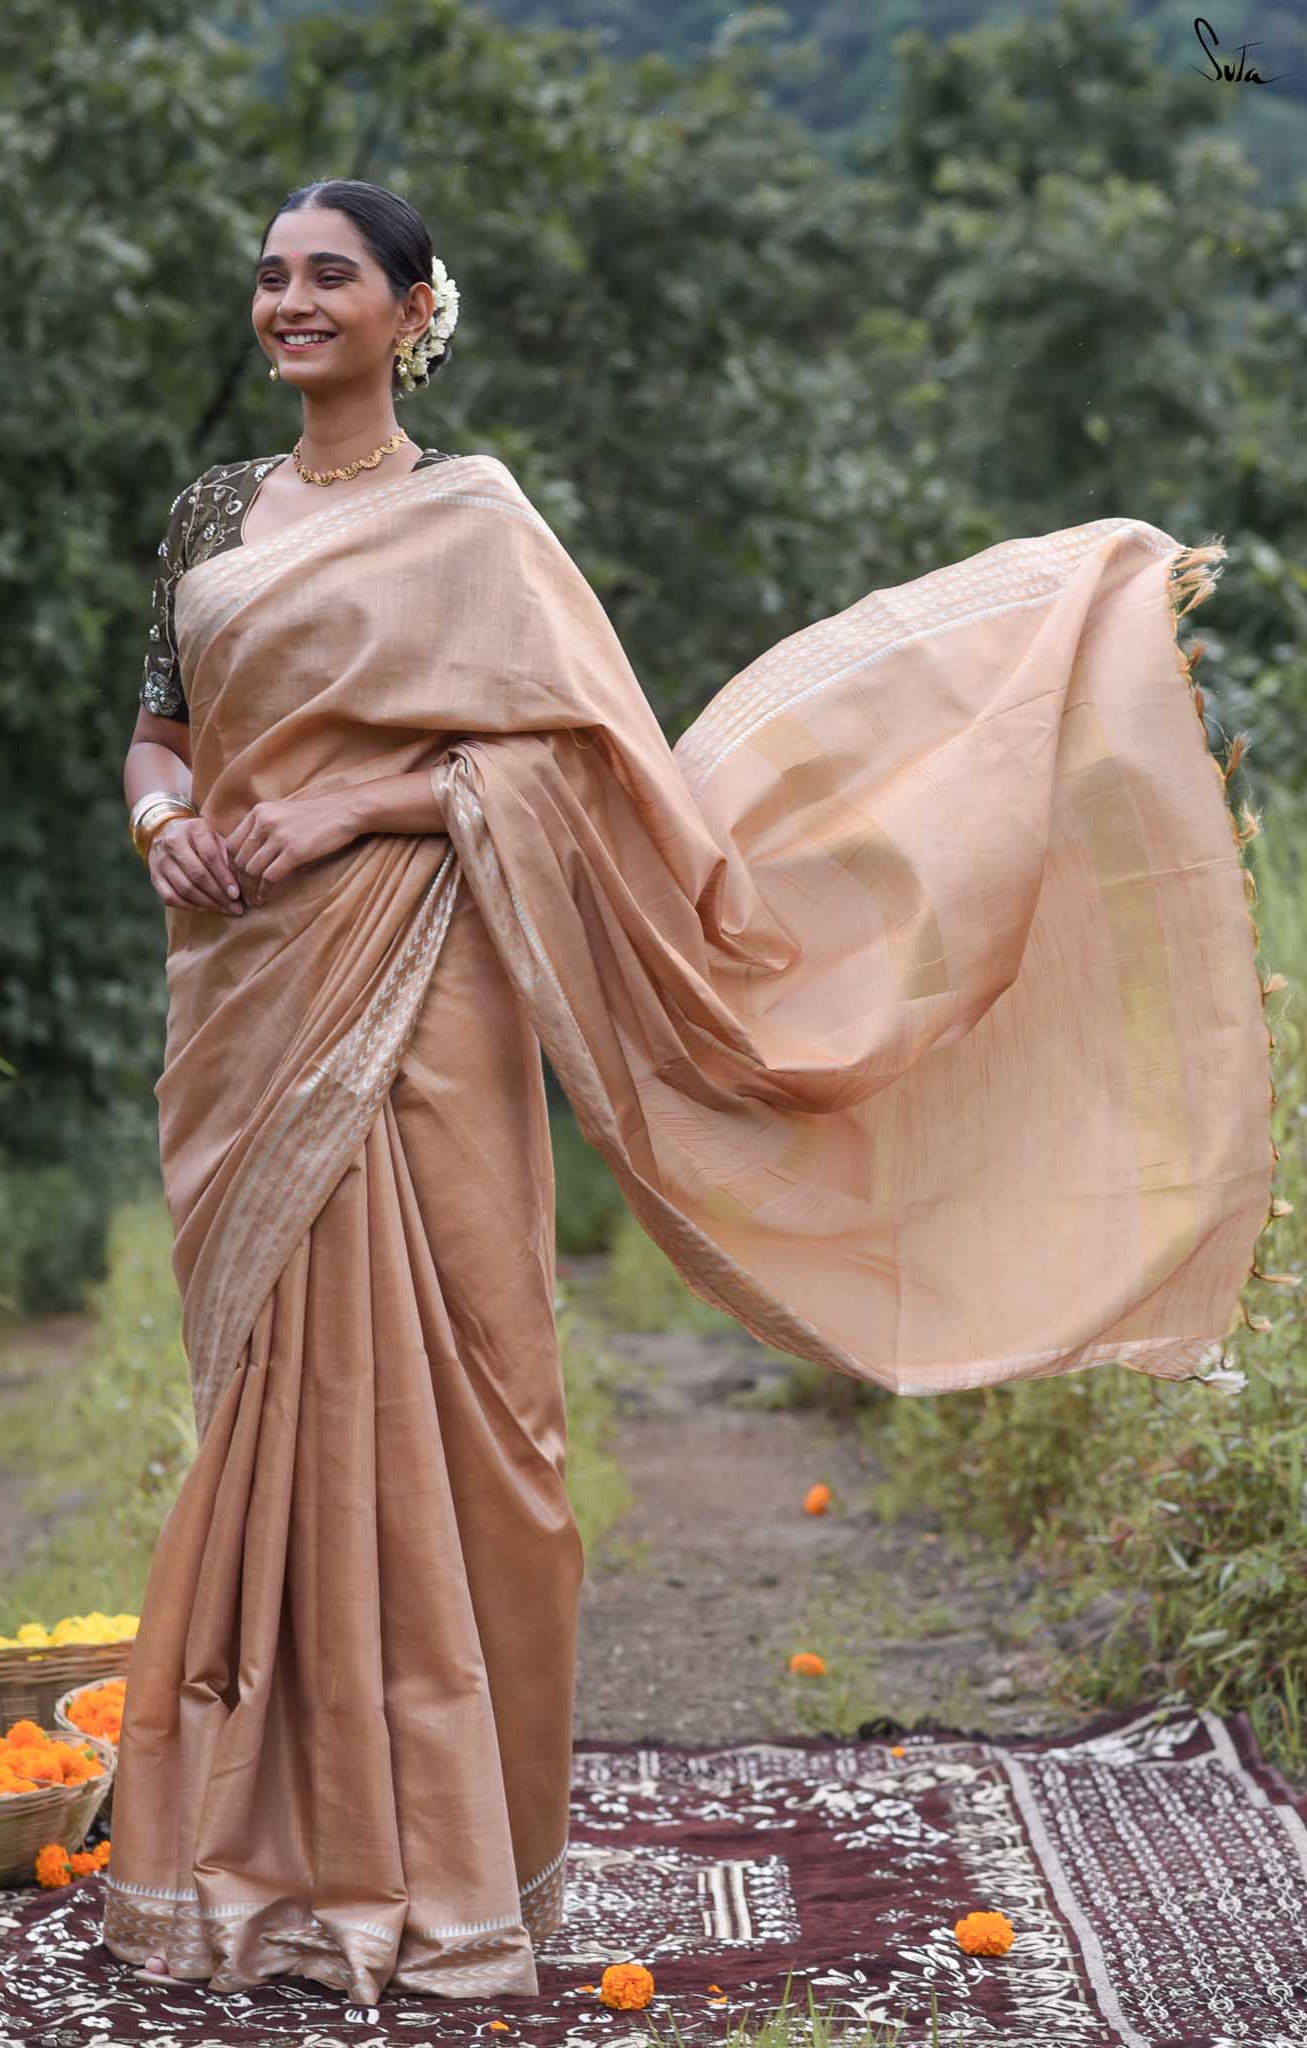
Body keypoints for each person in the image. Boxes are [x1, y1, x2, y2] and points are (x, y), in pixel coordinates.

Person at [100, 178, 1282, 2004]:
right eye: (269, 276)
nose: (289, 302)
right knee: (270, 1398)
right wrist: (166, 822)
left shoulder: (477, 522)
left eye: (329, 275)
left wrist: (351, 804)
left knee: (480, 1404)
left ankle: (456, 1857)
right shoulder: (208, 515)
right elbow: (159, 731)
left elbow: (587, 772)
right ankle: (263, 1852)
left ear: (412, 308)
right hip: (249, 992)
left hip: (423, 978)